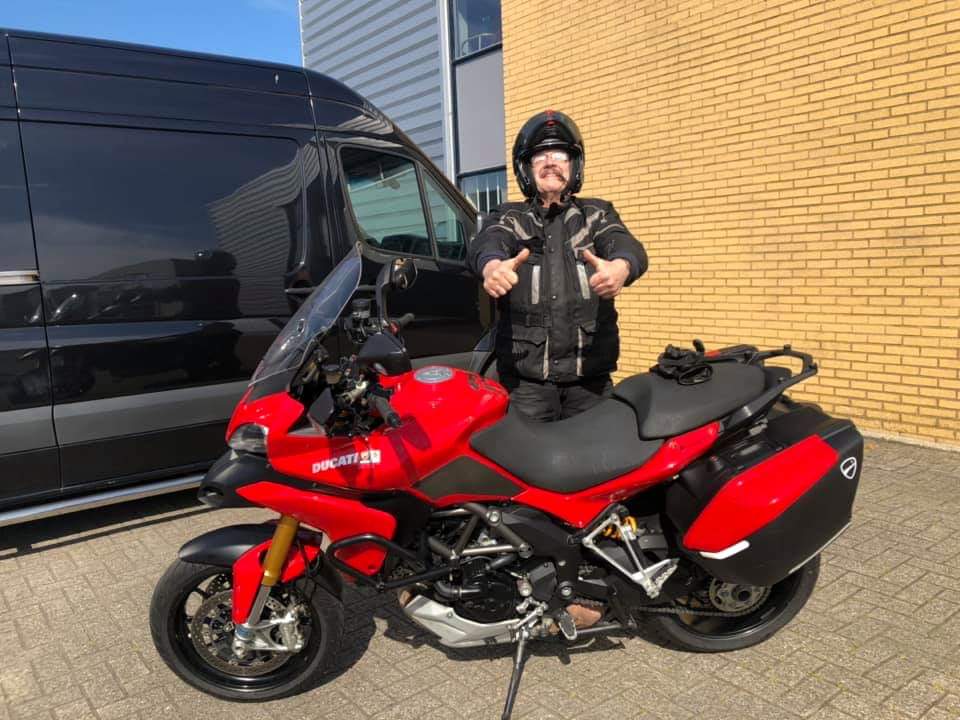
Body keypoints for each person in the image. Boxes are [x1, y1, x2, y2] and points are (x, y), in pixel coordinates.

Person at [467, 110, 648, 422]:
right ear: (526, 168)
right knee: (522, 453)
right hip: (526, 388)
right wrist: (491, 267)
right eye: (540, 156)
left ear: (574, 164)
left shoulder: (597, 214)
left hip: (591, 385)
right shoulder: (510, 216)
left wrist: (621, 267)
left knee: (598, 451)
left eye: (560, 154)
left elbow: (626, 244)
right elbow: (489, 240)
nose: (550, 162)